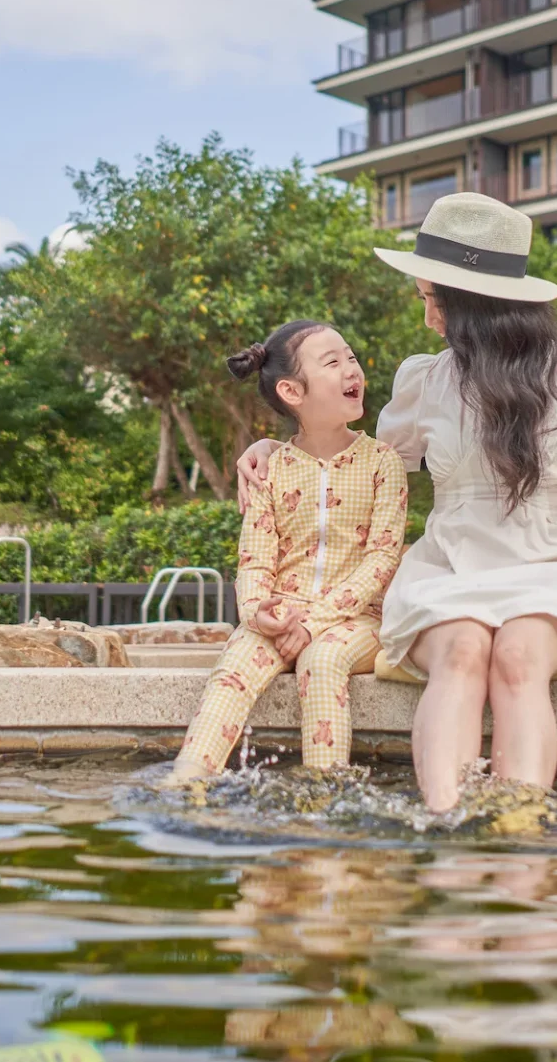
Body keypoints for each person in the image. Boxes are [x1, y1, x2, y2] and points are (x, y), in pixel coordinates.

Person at [239, 192, 557, 812]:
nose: (427, 317)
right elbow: (361, 462)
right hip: (446, 570)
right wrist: (276, 443)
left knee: (520, 656)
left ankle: (518, 833)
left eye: (432, 299)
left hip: (549, 573)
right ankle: (446, 822)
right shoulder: (425, 378)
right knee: (462, 650)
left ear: (475, 304)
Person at [171, 320, 409, 781]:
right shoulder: (271, 468)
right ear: (292, 391)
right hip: (282, 612)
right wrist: (259, 613)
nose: (351, 369)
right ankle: (185, 782)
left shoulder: (382, 462)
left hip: (358, 619)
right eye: (332, 362)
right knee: (232, 669)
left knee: (321, 662)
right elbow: (255, 559)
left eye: (351, 357)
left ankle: (325, 792)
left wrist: (316, 622)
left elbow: (382, 558)